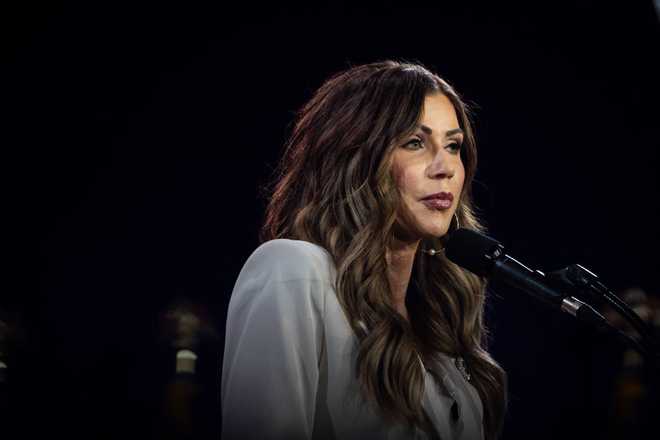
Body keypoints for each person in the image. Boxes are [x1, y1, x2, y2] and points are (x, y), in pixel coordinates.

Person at [221, 60, 507, 440]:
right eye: (415, 143)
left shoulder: (439, 326)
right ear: (358, 158)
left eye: (453, 146)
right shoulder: (294, 269)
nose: (446, 168)